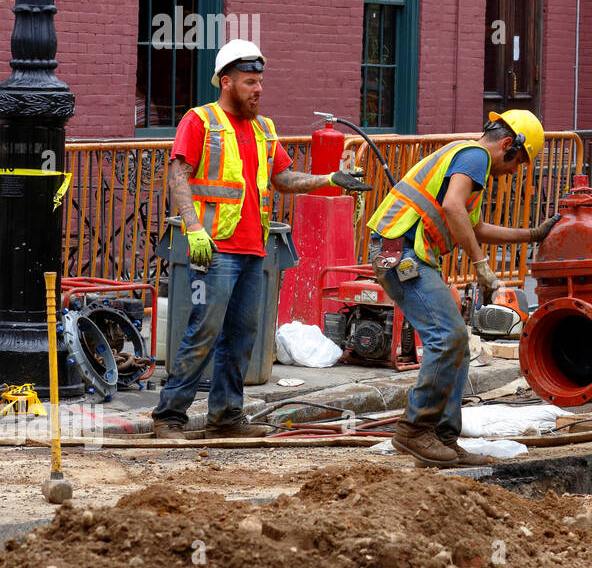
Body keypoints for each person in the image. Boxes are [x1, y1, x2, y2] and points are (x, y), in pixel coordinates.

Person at [153, 39, 371, 439]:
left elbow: (283, 179)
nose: (258, 90)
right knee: (203, 331)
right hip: (214, 249)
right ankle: (169, 417)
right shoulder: (200, 121)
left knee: (242, 338)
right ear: (225, 82)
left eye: (260, 82)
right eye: (250, 82)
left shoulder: (264, 129)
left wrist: (329, 179)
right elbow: (178, 174)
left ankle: (226, 417)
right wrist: (193, 227)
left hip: (255, 251)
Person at [367, 109, 557, 468]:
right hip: (399, 250)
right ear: (507, 145)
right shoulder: (476, 156)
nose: (514, 172)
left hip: (407, 253)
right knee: (448, 337)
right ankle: (415, 429)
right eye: (518, 162)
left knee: (458, 347)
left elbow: (475, 225)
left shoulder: (466, 163)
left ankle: (442, 439)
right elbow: (453, 208)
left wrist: (531, 236)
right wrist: (481, 265)